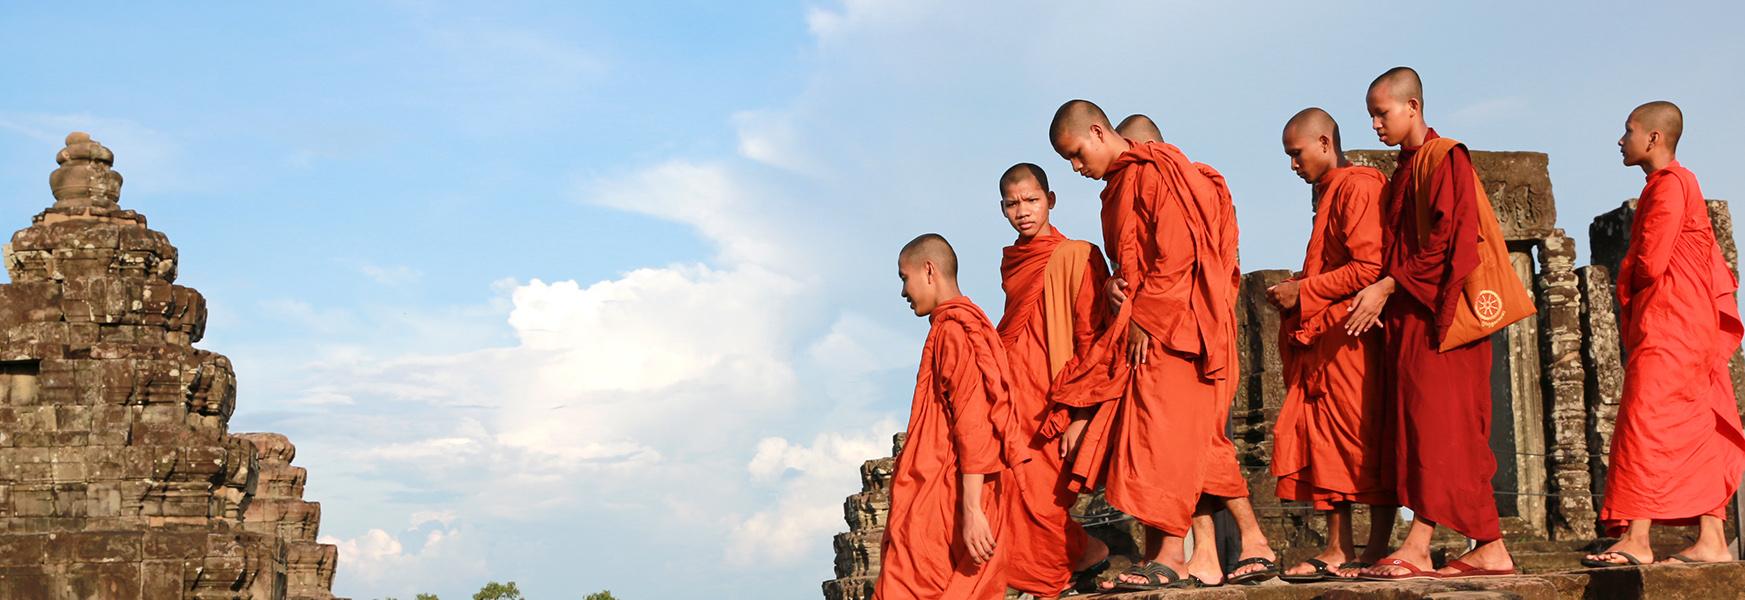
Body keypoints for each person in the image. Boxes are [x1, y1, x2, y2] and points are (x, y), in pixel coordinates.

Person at [1046, 99, 1272, 590]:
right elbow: (1133, 260)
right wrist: (1114, 288)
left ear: (1099, 132)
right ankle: (1238, 545)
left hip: (1174, 328)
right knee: (1187, 442)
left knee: (1164, 439)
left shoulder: (1157, 172)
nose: (1077, 168)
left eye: (1078, 154)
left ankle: (1172, 555)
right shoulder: (1118, 189)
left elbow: (1178, 254)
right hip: (1149, 322)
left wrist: (1147, 318)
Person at [1349, 66, 1515, 580]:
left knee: (1441, 430)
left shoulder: (1446, 159)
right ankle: (1490, 548)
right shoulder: (1406, 168)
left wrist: (1387, 287)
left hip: (1441, 319)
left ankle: (1420, 544)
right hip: (1411, 321)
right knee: (1435, 431)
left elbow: (1447, 244)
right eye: (1371, 115)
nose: (1376, 125)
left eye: (1383, 113)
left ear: (1413, 107)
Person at [1583, 101, 1745, 567]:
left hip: (1672, 322)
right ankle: (1712, 538)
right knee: (1696, 422)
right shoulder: (1678, 184)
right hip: (1687, 321)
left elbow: (1650, 261)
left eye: (1628, 130)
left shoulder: (1670, 185)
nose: (1621, 140)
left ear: (1653, 138)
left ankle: (1637, 537)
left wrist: (1625, 272)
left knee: (1644, 418)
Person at [1271, 107, 1399, 582]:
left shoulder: (1359, 186)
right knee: (1326, 440)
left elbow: (1370, 267)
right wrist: (1297, 287)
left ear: (1324, 143)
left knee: (1362, 440)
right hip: (1328, 335)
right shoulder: (1331, 192)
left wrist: (1303, 291)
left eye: (1296, 153)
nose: (1293, 165)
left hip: (1353, 335)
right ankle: (1338, 546)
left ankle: (1375, 547)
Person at [876, 234, 1021, 599]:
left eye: (903, 277)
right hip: (938, 486)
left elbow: (973, 424)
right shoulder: (952, 326)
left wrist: (972, 510)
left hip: (949, 494)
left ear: (929, 270)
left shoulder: (955, 331)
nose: (903, 292)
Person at [993, 163, 1113, 596]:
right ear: (1002, 209)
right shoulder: (1013, 263)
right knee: (1010, 495)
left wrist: (1079, 413)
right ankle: (1071, 566)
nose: (1022, 211)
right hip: (1012, 399)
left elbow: (1090, 339)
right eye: (1012, 203)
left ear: (1051, 200)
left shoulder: (1077, 255)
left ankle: (1083, 557)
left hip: (1053, 400)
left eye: (1031, 200)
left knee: (1043, 499)